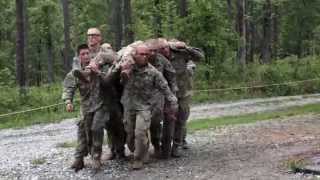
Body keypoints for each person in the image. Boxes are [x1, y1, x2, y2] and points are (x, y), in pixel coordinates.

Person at [120, 44, 178, 170]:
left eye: (146, 54)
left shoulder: (153, 72)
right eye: (141, 54)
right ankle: (141, 151)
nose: (145, 56)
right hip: (129, 106)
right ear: (135, 54)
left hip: (144, 107)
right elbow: (113, 71)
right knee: (130, 135)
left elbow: (165, 88)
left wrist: (173, 101)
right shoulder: (127, 66)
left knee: (140, 133)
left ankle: (138, 158)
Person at [62, 44, 107, 171]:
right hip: (85, 106)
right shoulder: (75, 73)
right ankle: (79, 158)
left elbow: (108, 79)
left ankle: (96, 157)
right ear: (78, 56)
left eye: (88, 53)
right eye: (83, 54)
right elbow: (68, 88)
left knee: (96, 129)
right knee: (82, 129)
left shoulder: (99, 66)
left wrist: (97, 72)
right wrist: (68, 102)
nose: (86, 56)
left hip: (100, 105)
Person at [158, 38, 204, 157]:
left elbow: (200, 57)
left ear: (169, 46)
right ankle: (165, 147)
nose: (165, 50)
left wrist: (186, 47)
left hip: (183, 93)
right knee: (168, 121)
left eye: (166, 47)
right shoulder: (157, 58)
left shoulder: (180, 53)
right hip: (167, 94)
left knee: (181, 120)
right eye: (161, 49)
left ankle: (177, 145)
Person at [86, 27, 126, 160]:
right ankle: (105, 151)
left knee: (117, 124)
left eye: (94, 35)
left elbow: (116, 61)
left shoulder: (106, 50)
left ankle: (119, 150)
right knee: (98, 126)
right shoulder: (84, 53)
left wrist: (101, 60)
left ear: (99, 37)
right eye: (89, 35)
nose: (91, 38)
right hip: (94, 96)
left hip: (113, 94)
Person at [145, 39, 178, 159]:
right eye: (150, 51)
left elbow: (172, 76)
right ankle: (142, 149)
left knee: (156, 121)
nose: (152, 53)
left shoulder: (162, 60)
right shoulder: (139, 58)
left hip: (159, 94)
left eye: (155, 51)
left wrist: (172, 96)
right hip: (142, 96)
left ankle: (159, 146)